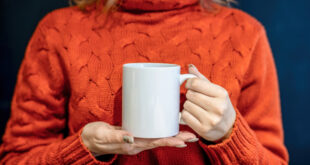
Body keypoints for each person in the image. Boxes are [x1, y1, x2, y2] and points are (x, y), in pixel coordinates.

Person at [0, 0, 289, 164]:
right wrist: (83, 148)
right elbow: (15, 158)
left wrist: (230, 135)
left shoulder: (245, 34)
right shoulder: (59, 31)